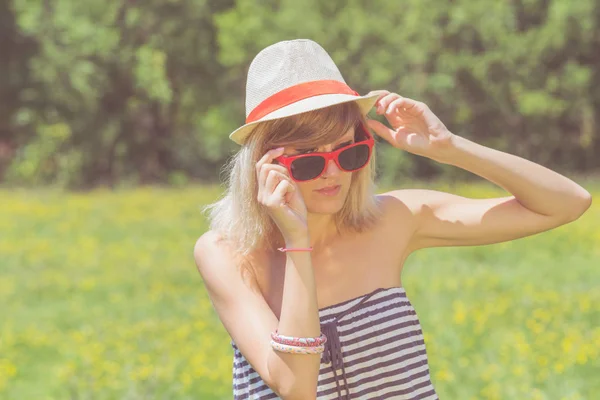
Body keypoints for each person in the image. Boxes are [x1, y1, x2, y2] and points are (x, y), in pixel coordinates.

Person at [193, 39, 592, 400]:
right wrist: (297, 240)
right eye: (310, 159)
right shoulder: (229, 254)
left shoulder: (394, 219)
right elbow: (296, 386)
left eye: (349, 153)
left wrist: (451, 148)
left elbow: (566, 203)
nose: (333, 173)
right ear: (265, 166)